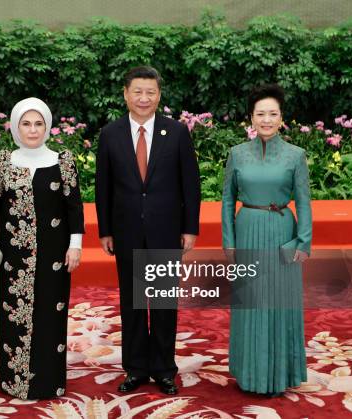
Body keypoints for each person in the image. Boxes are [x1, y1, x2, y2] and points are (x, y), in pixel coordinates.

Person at [95, 66, 201, 395]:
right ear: (126, 94)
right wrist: (106, 230)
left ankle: (164, 369)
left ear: (159, 96)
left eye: (150, 92)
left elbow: (191, 184)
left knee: (164, 302)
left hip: (166, 229)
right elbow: (103, 187)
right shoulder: (110, 134)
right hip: (126, 231)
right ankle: (136, 367)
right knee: (133, 303)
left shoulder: (177, 132)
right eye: (137, 91)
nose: (144, 98)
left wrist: (190, 228)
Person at [0, 97, 84, 400]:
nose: (33, 130)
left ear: (48, 126)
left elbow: (74, 208)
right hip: (14, 257)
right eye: (26, 123)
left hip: (55, 254)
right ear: (15, 126)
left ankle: (49, 381)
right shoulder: (4, 162)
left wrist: (75, 246)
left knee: (52, 313)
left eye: (39, 123)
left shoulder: (62, 161)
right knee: (14, 315)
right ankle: (14, 380)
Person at [221, 83, 312, 396]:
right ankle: (249, 373)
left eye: (273, 113)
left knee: (279, 303)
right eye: (261, 113)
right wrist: (229, 241)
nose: (267, 119)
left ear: (282, 117)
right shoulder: (237, 154)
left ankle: (280, 374)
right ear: (251, 118)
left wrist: (303, 243)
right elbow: (226, 199)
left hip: (281, 234)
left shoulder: (295, 155)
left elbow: (303, 201)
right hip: (247, 230)